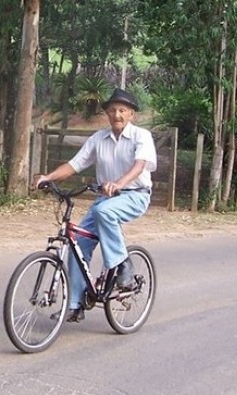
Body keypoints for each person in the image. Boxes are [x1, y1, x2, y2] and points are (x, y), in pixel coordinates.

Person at [35, 88, 157, 322]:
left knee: (102, 211)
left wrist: (119, 183)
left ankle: (124, 266)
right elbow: (75, 164)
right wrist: (48, 177)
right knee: (78, 243)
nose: (117, 115)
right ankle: (75, 304)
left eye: (122, 110)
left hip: (135, 195)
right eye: (112, 110)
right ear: (107, 114)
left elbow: (139, 165)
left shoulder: (141, 136)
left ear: (132, 114)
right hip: (106, 199)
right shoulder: (98, 139)